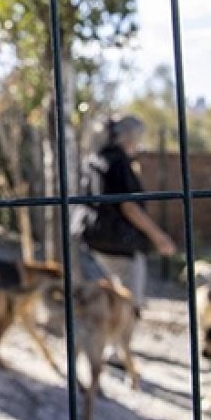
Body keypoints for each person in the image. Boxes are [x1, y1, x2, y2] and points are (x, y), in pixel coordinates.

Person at [72, 114, 176, 308]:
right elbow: (128, 206)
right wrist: (159, 237)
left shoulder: (94, 159)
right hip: (120, 245)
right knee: (127, 308)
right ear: (130, 136)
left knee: (97, 308)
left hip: (91, 241)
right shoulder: (118, 162)